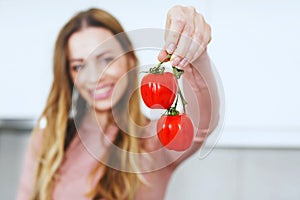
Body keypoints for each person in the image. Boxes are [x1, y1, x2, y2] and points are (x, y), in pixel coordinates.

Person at [16, 5, 220, 200]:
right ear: (69, 76)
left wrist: (194, 53)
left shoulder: (155, 142)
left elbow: (202, 121)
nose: (95, 77)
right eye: (79, 67)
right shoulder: (49, 142)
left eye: (106, 60)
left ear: (130, 60)